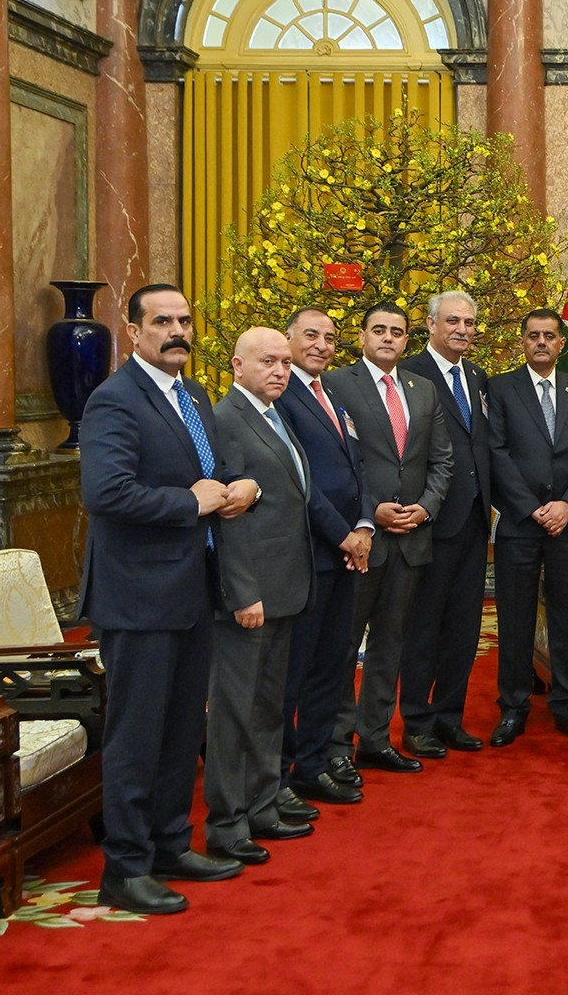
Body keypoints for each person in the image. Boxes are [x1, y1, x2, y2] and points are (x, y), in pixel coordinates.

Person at [80, 284, 256, 915]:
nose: (177, 331)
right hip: (138, 596)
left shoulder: (193, 394)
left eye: (184, 320)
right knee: (137, 734)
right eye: (162, 322)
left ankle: (168, 843)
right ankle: (125, 868)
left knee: (184, 728)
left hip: (193, 588)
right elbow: (107, 494)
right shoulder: (113, 401)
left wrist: (243, 484)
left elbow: (216, 467)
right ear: (132, 332)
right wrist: (193, 502)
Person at [203, 328, 320, 865]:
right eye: (267, 361)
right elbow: (227, 520)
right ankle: (227, 823)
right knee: (235, 713)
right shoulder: (226, 420)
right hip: (249, 597)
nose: (280, 370)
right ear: (237, 366)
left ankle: (262, 803)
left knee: (269, 707)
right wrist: (243, 593)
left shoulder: (277, 415)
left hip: (285, 589)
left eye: (285, 363)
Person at [323, 301, 453, 775]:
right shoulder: (337, 385)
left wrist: (426, 507)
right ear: (361, 337)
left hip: (412, 537)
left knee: (390, 642)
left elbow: (442, 461)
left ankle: (375, 737)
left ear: (407, 340)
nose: (388, 338)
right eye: (378, 330)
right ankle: (337, 742)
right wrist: (371, 508)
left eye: (397, 332)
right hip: (363, 538)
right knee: (344, 642)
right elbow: (339, 460)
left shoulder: (422, 390)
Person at [485, 308, 568, 744]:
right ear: (522, 341)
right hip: (520, 524)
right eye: (533, 335)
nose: (541, 342)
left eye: (549, 336)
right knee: (514, 620)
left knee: (564, 616)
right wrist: (532, 508)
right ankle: (513, 708)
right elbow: (496, 452)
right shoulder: (501, 389)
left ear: (561, 344)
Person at [273, 308, 373, 807]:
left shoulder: (330, 391)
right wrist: (342, 535)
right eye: (310, 335)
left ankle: (312, 766)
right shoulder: (281, 396)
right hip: (310, 553)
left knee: (331, 668)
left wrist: (365, 525)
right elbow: (300, 482)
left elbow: (357, 465)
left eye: (330, 338)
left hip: (346, 553)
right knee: (297, 669)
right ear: (288, 339)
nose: (321, 345)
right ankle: (283, 775)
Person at [398, 291, 495, 758]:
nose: (462, 329)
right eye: (453, 321)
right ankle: (416, 721)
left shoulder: (476, 376)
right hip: (430, 519)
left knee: (463, 626)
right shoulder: (411, 373)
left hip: (475, 520)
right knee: (424, 625)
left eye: (469, 323)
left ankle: (450, 717)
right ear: (432, 326)